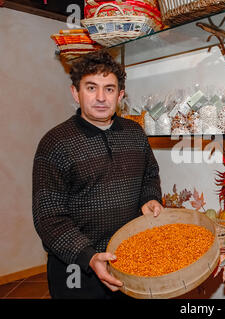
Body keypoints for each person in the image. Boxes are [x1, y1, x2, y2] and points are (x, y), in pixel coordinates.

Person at [32, 50, 163, 299]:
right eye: (91, 88)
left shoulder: (135, 133)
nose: (101, 97)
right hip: (77, 268)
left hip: (131, 260)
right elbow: (48, 217)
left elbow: (150, 175)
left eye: (109, 89)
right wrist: (88, 256)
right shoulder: (55, 143)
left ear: (120, 95)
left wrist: (150, 198)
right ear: (75, 93)